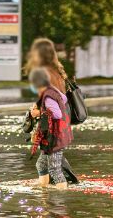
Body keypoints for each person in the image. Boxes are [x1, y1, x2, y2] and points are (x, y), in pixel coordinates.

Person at [24, 38, 79, 183]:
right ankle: (45, 193)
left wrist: (37, 112)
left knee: (54, 167)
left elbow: (50, 101)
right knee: (44, 164)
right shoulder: (57, 71)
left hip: (53, 129)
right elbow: (61, 98)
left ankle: (59, 195)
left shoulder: (45, 74)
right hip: (61, 125)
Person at [29, 68, 73, 189]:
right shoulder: (53, 90)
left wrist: (39, 113)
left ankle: (60, 200)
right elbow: (64, 99)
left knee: (54, 170)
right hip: (54, 136)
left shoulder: (48, 96)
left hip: (55, 138)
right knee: (41, 165)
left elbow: (57, 114)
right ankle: (44, 191)